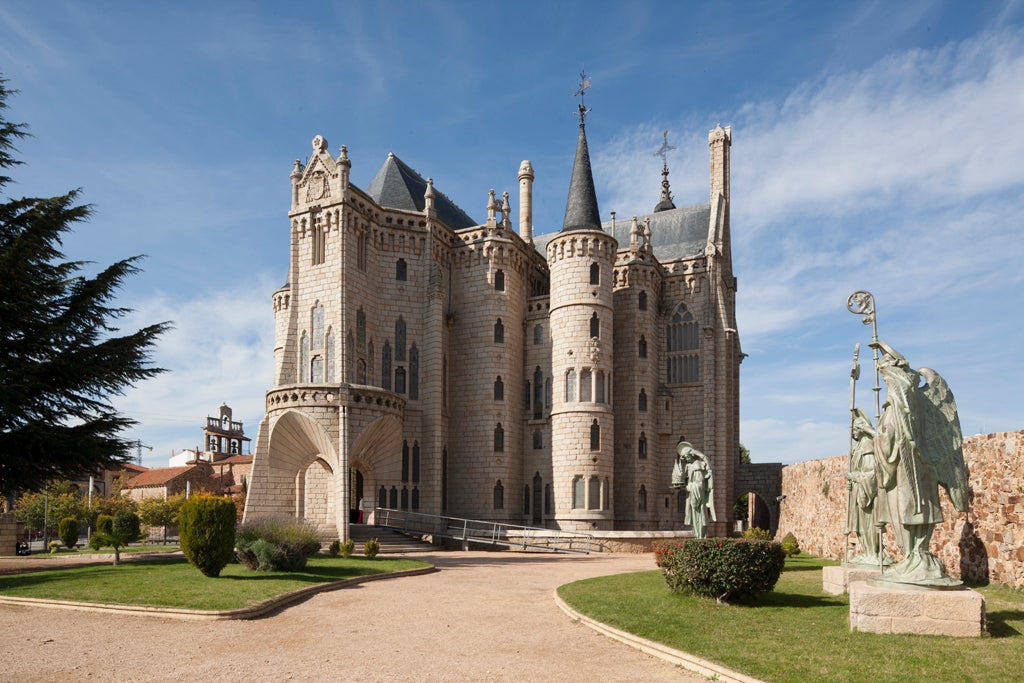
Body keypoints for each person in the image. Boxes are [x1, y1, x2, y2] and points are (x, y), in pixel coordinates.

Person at [871, 340, 968, 585]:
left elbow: (890, 439)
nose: (884, 381)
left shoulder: (900, 405)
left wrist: (874, 435)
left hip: (909, 469)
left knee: (911, 510)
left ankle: (916, 557)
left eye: (885, 376)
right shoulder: (913, 403)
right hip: (916, 467)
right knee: (914, 510)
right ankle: (915, 556)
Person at [846, 408, 891, 566]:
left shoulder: (867, 445)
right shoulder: (859, 446)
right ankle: (868, 552)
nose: (852, 434)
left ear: (861, 429)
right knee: (862, 527)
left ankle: (873, 553)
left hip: (867, 494)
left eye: (854, 430)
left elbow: (872, 472)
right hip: (860, 492)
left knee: (868, 525)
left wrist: (855, 477)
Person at [672, 439, 716, 538]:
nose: (685, 459)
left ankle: (700, 537)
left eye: (686, 457)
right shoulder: (690, 466)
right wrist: (683, 487)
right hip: (693, 495)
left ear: (691, 455)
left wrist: (688, 488)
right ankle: (698, 536)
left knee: (699, 516)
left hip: (697, 495)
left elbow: (699, 483)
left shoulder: (697, 465)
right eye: (684, 458)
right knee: (695, 517)